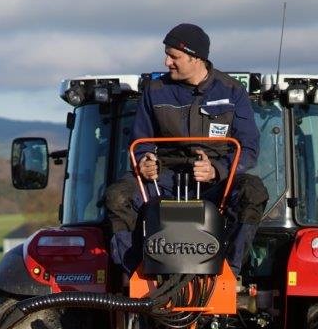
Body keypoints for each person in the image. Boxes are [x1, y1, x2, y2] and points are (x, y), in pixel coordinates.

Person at [106, 23, 265, 274]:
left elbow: (249, 148)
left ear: (196, 58)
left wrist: (216, 170)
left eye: (173, 56)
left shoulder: (232, 91)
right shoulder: (155, 91)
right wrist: (144, 161)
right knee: (118, 195)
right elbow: (141, 141)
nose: (166, 62)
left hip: (215, 186)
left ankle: (229, 271)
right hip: (163, 181)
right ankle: (135, 273)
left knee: (252, 191)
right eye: (167, 54)